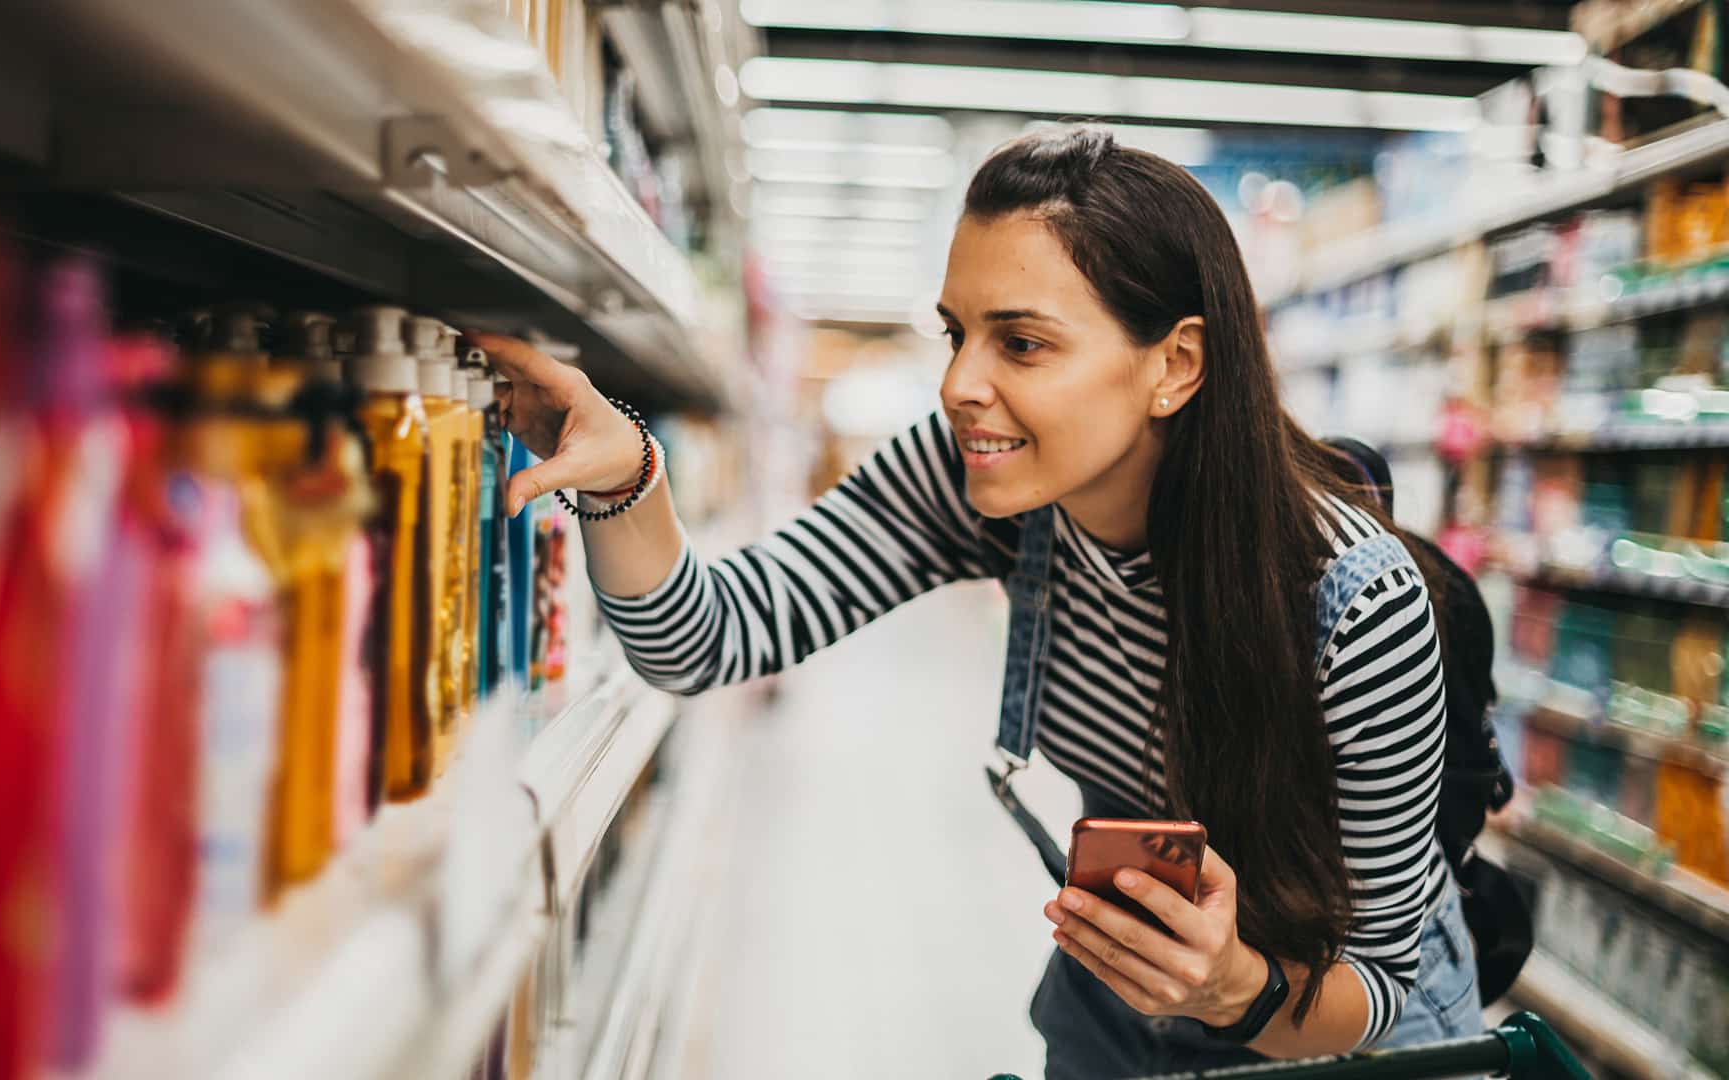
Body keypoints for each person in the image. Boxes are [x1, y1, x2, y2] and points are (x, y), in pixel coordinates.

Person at [471, 124, 1481, 1077]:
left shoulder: (1356, 603)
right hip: (1129, 999)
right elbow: (708, 638)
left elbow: (1381, 979)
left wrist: (1230, 988)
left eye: (1022, 343)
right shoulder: (974, 474)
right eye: (956, 333)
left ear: (1175, 364)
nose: (959, 383)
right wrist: (620, 480)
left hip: (1340, 1037)